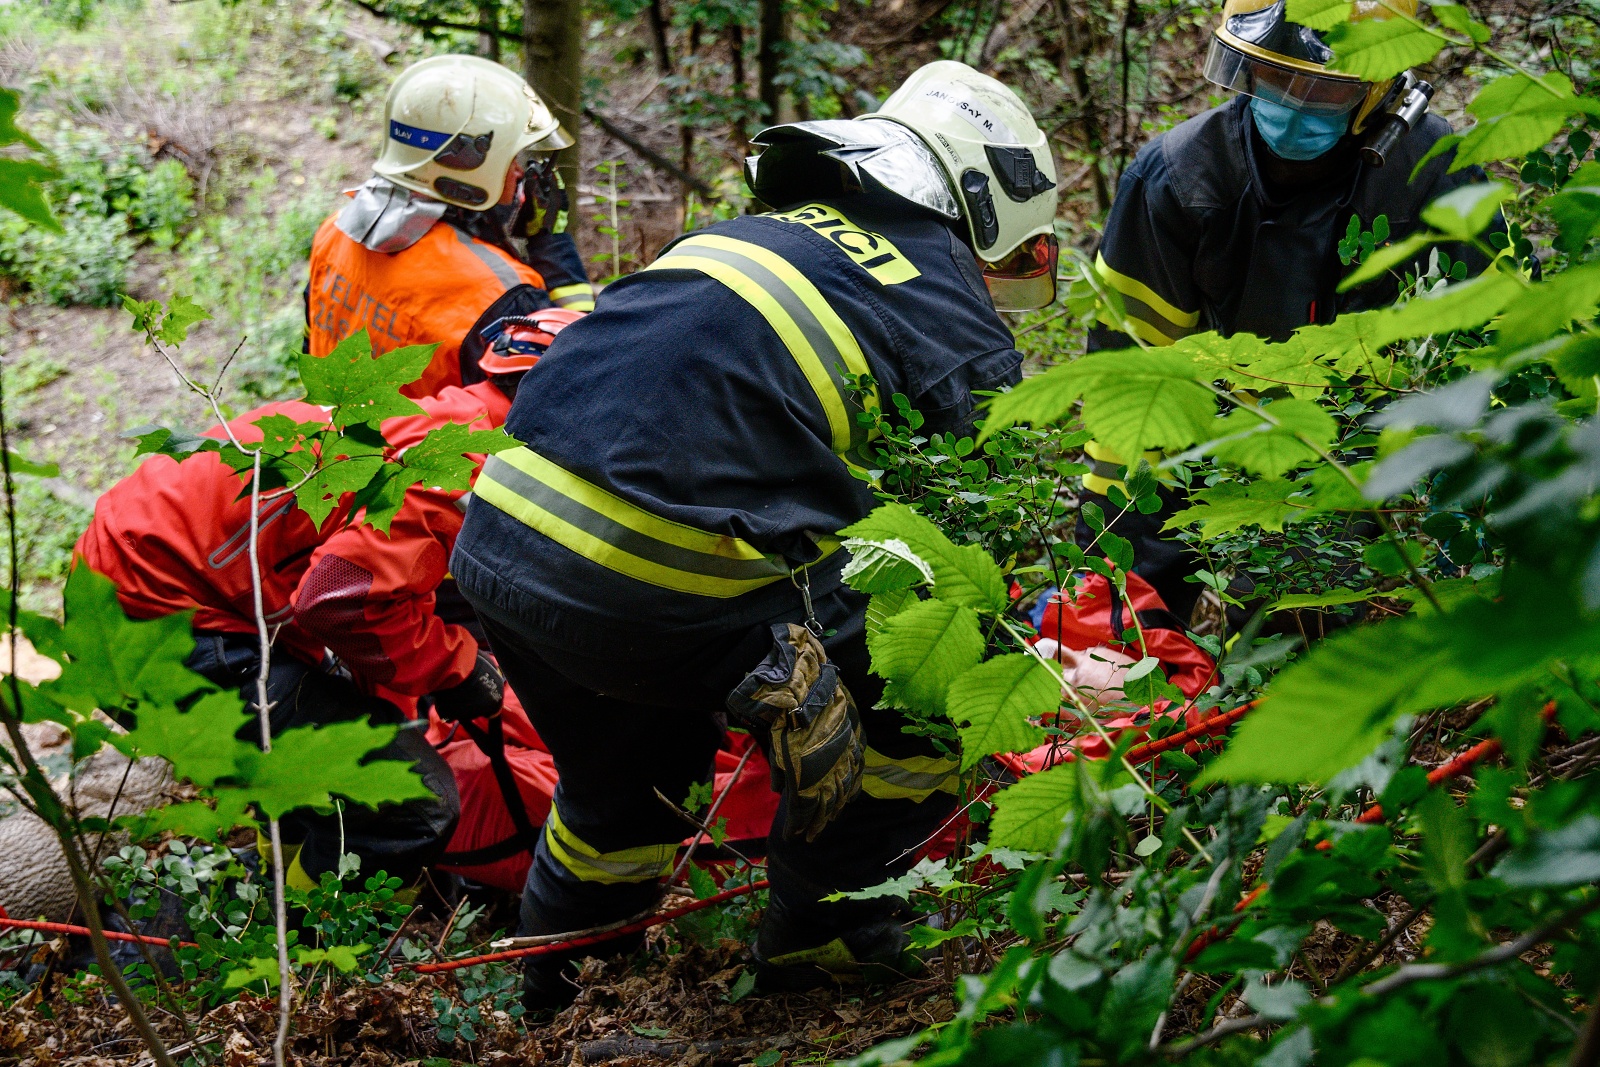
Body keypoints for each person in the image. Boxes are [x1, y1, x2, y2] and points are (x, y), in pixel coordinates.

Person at [449, 59, 1060, 1009]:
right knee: (945, 671)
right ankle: (827, 943)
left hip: (504, 548)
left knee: (621, 799)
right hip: (661, 585)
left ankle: (549, 1003)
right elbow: (975, 551)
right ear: (985, 203)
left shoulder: (757, 235)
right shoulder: (945, 304)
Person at [71, 312, 580, 891]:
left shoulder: (428, 419)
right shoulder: (461, 468)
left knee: (319, 772)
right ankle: (322, 957)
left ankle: (284, 893)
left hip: (146, 591)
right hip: (157, 627)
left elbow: (345, 587)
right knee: (413, 803)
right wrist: (453, 668)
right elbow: (340, 597)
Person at [1080, 0, 1491, 620]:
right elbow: (1131, 385)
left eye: (1323, 88)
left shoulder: (1435, 173)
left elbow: (1501, 341)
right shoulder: (1179, 178)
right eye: (1273, 79)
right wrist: (1118, 578)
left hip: (1383, 452)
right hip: (1235, 442)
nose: (1293, 105)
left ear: (1378, 87)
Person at [305, 55, 595, 401]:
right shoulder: (498, 293)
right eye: (511, 159)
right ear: (469, 169)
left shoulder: (335, 231)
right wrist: (550, 242)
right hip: (431, 456)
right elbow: (580, 381)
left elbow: (312, 346)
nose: (520, 173)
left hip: (326, 446)